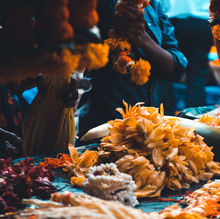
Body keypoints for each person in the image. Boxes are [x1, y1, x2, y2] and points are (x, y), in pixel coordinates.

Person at [77, 0, 187, 136]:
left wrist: (143, 39)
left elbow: (176, 69)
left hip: (150, 126)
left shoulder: (153, 4)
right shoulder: (97, 5)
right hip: (104, 121)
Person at [165, 0, 213, 108]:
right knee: (197, 77)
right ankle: (194, 117)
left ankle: (165, 116)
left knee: (167, 75)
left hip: (174, 22)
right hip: (200, 23)